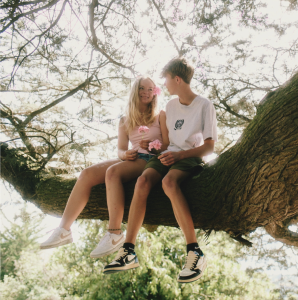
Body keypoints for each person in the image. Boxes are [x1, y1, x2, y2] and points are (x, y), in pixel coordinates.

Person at [103, 57, 217, 284]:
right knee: (143, 181)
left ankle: (195, 252)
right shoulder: (170, 107)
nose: (162, 85)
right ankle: (128, 250)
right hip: (167, 156)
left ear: (176, 79)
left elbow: (209, 147)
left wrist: (179, 155)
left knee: (168, 183)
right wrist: (154, 148)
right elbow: (166, 143)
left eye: (165, 79)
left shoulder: (205, 105)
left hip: (189, 157)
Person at [40, 77, 169, 260]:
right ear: (135, 90)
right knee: (86, 174)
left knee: (113, 172)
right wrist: (125, 155)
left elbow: (169, 146)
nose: (146, 92)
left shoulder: (160, 115)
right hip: (133, 157)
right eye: (142, 88)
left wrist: (154, 147)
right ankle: (64, 230)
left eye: (150, 89)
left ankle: (114, 233)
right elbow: (121, 149)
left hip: (150, 160)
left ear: (155, 93)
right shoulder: (125, 120)